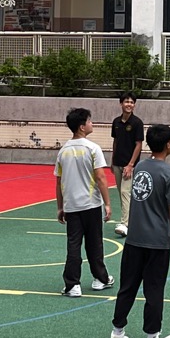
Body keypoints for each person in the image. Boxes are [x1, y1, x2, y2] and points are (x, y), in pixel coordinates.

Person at [108, 123, 170, 338]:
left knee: (127, 288)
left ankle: (116, 334)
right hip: (156, 243)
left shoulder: (141, 167)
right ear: (168, 144)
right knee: (154, 290)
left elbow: (150, 202)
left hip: (134, 240)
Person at [54, 107, 113, 298]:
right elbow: (101, 177)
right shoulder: (93, 148)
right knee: (94, 243)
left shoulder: (63, 151)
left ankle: (72, 285)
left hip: (71, 206)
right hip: (91, 205)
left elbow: (58, 182)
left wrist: (60, 207)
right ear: (81, 126)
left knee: (73, 245)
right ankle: (100, 279)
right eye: (89, 121)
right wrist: (107, 203)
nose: (91, 123)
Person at [110, 92, 145, 238]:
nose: (129, 104)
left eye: (131, 102)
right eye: (126, 102)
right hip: (117, 163)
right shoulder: (116, 122)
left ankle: (125, 224)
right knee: (123, 194)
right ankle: (133, 220)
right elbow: (115, 141)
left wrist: (130, 164)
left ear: (134, 105)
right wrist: (112, 160)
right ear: (121, 104)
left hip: (129, 165)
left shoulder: (137, 123)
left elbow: (138, 144)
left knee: (125, 192)